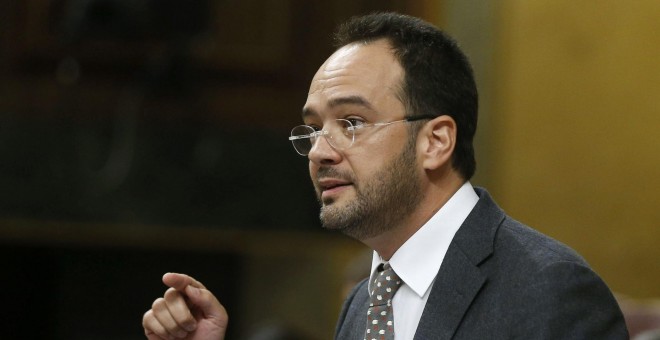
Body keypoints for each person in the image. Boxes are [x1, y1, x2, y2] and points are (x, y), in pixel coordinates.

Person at [142, 12, 628, 339]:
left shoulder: (550, 291)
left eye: (351, 123)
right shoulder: (364, 302)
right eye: (313, 129)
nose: (319, 152)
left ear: (435, 141)